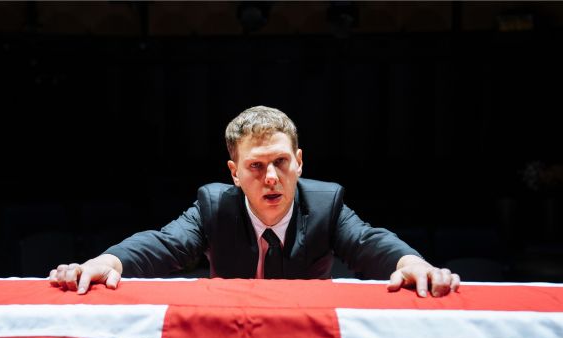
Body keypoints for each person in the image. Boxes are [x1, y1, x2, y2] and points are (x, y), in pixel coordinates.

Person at [49, 106, 460, 297]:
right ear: (233, 172)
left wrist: (412, 264)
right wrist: (107, 262)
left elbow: (369, 242)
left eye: (281, 162)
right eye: (255, 166)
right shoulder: (215, 205)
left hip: (309, 336)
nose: (270, 178)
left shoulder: (326, 202)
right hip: (231, 333)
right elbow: (163, 243)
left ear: (298, 163)